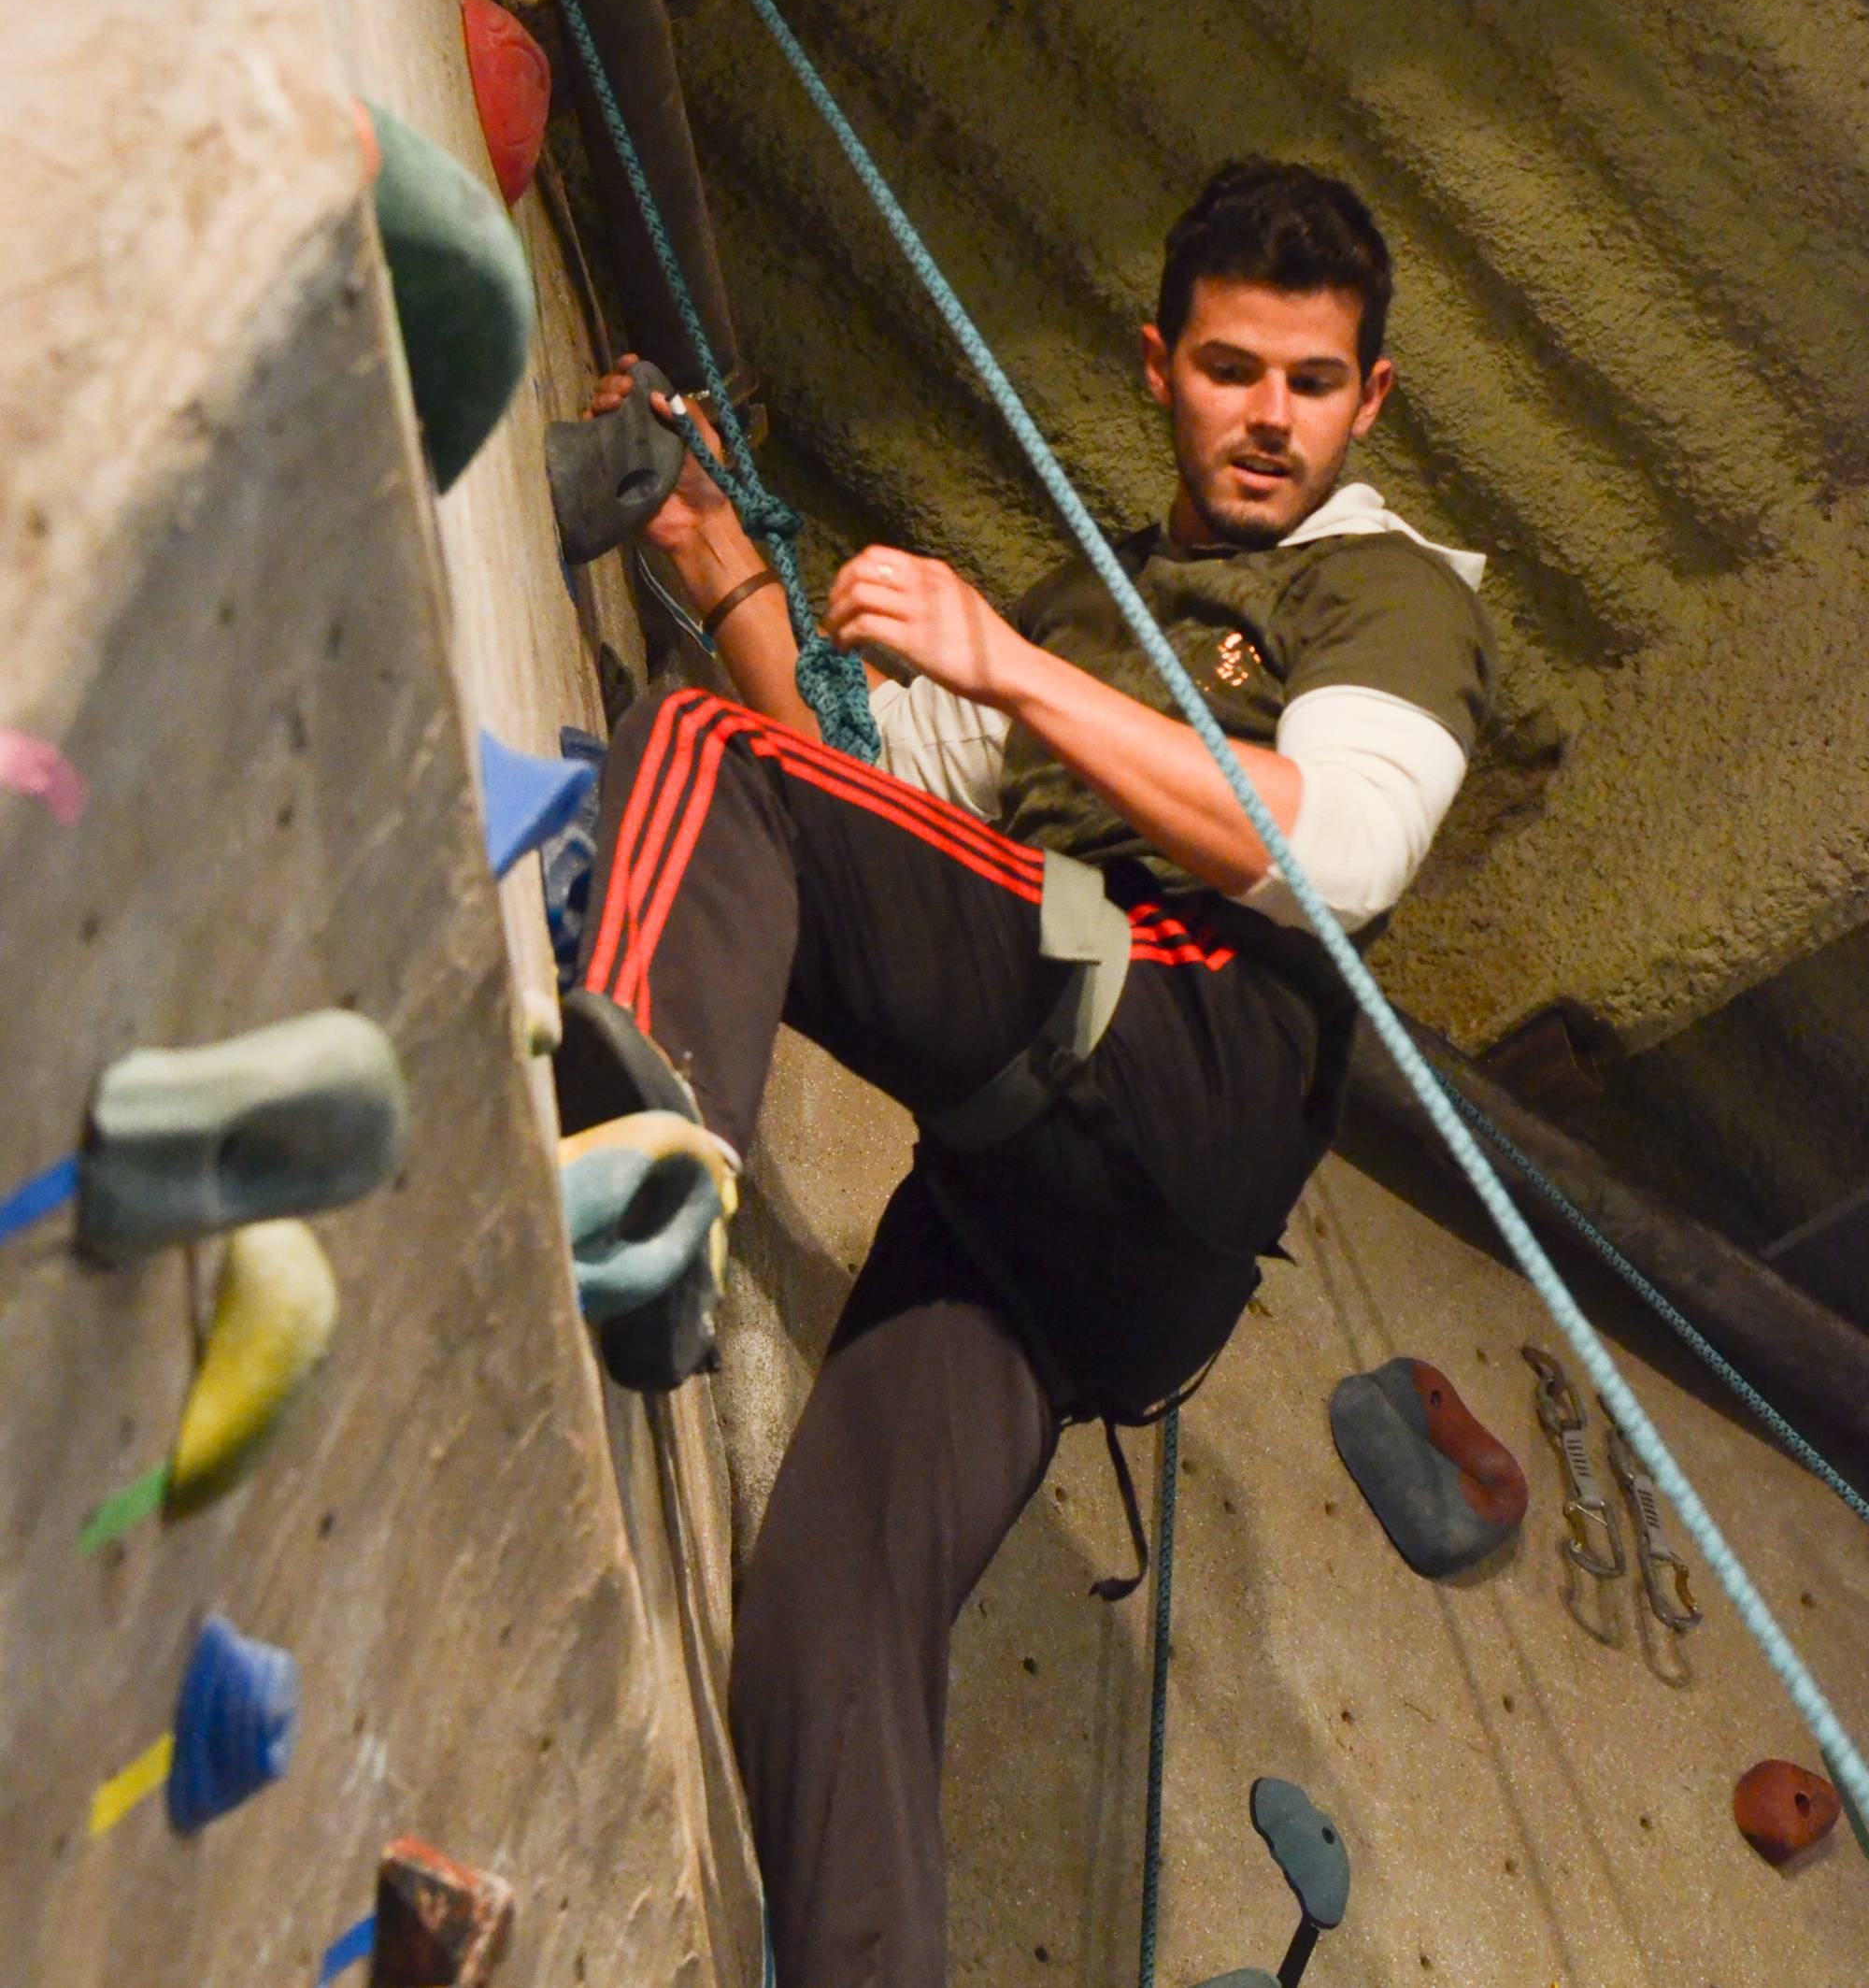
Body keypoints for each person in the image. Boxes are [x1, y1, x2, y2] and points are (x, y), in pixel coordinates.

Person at [559, 157, 1494, 1988]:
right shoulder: (1107, 598)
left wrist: (1008, 666)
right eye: (1232, 369)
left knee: (698, 760)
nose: (1268, 418)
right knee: (827, 1625)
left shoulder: (1385, 589)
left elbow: (1339, 844)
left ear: (1368, 397)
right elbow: (872, 795)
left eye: (1312, 382)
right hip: (1067, 1237)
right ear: (1162, 364)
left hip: (1172, 1052)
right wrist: (724, 566)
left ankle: (640, 1158)